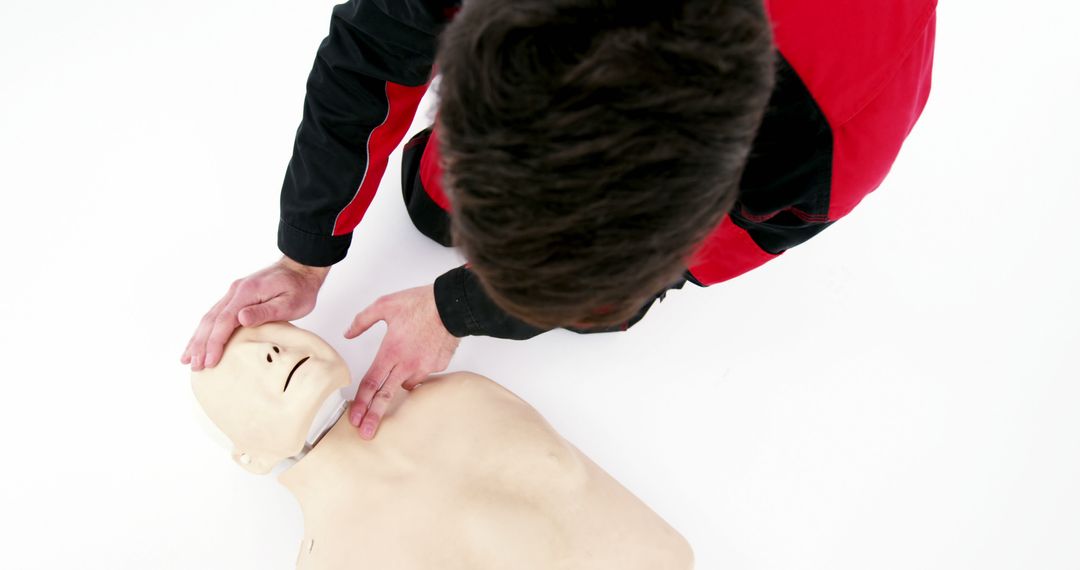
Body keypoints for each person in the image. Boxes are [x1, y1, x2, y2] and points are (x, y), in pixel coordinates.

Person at [181, 0, 937, 440]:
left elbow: (655, 272)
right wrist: (306, 246)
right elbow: (378, 38)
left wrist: (461, 306)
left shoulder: (830, 142)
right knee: (431, 200)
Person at [191, 321, 694, 569]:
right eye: (231, 371)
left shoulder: (462, 393)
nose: (271, 350)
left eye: (267, 333)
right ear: (249, 459)